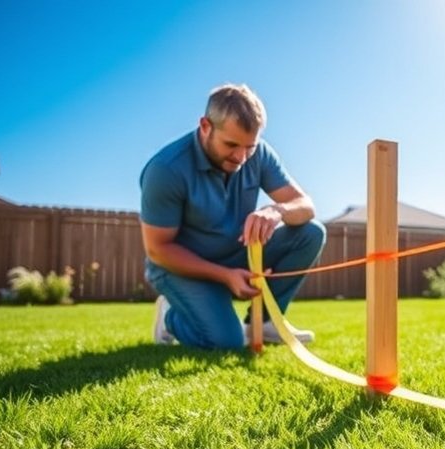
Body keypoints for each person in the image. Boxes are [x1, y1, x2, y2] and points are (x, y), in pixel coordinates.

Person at [140, 83, 326, 349]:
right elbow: (158, 249)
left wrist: (277, 210)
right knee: (228, 342)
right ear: (205, 126)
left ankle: (265, 324)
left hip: (233, 253)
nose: (241, 157)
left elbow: (305, 205)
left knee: (310, 233)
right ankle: (171, 317)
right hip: (179, 268)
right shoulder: (166, 169)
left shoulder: (258, 154)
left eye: (249, 146)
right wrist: (225, 275)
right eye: (231, 144)